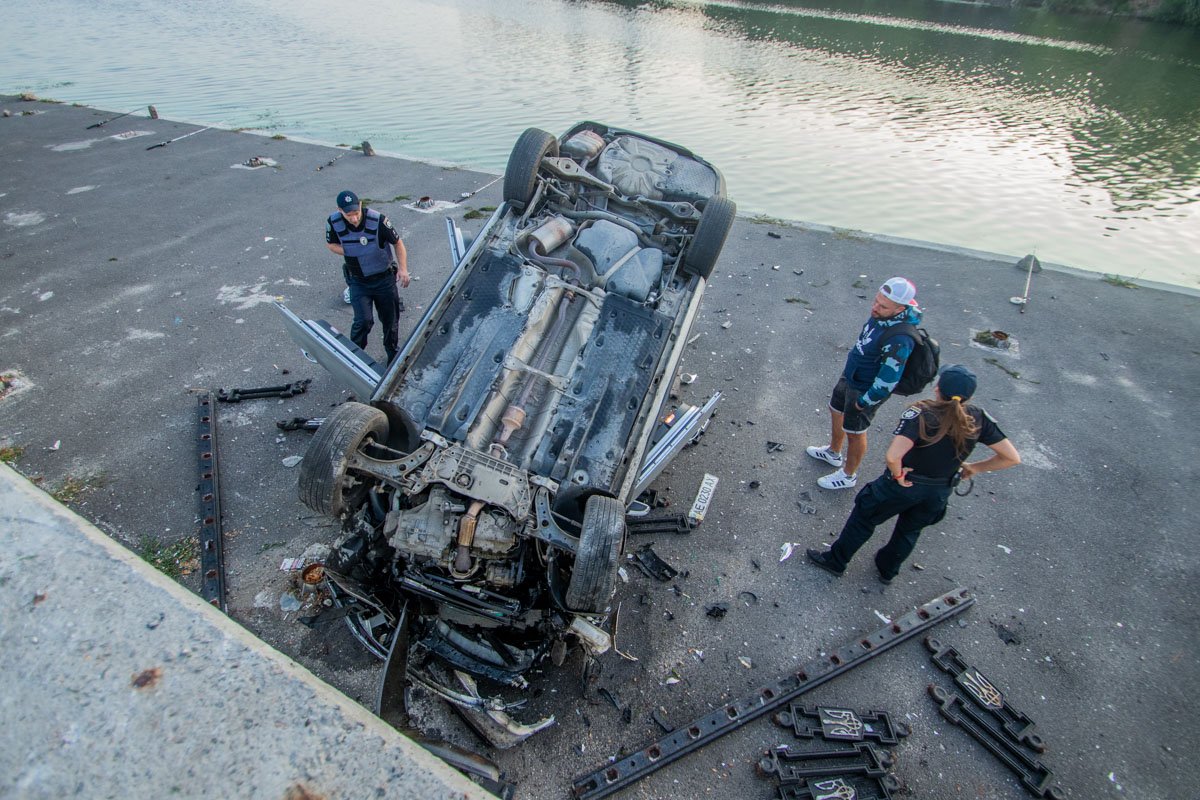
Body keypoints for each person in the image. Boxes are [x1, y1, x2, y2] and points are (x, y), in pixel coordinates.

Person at [806, 365, 1020, 584]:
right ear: (969, 396)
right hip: (938, 491)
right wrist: (974, 467)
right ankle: (887, 569)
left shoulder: (922, 414)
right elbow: (1011, 457)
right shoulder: (977, 418)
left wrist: (898, 475)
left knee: (864, 519)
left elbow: (893, 456)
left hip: (904, 485)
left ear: (937, 389)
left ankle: (836, 561)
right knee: (909, 531)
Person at [806, 276, 923, 490]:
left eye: (883, 306)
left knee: (856, 432)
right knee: (835, 410)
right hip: (851, 376)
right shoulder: (881, 316)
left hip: (864, 389)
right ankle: (833, 452)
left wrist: (865, 401)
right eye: (876, 301)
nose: (875, 307)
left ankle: (848, 475)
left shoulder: (900, 339)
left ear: (899, 309)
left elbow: (889, 380)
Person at [325, 190, 410, 364]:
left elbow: (398, 243)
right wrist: (352, 250)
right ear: (340, 210)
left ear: (361, 206)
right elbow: (331, 244)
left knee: (390, 320)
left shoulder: (378, 221)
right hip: (358, 280)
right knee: (363, 321)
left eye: (356, 213)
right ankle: (353, 357)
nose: (354, 219)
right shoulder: (333, 222)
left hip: (384, 279)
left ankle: (392, 354)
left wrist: (403, 269)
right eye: (349, 215)